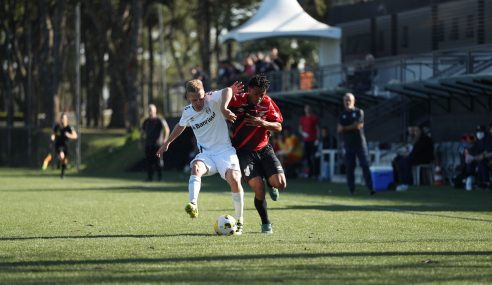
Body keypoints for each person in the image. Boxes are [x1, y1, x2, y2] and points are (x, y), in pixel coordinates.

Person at [156, 79, 245, 234]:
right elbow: (180, 125)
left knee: (235, 179)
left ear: (204, 93)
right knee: (196, 167)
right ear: (188, 98)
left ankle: (239, 221)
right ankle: (193, 205)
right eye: (194, 99)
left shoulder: (211, 98)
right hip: (207, 154)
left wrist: (223, 108)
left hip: (225, 151)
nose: (198, 102)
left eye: (201, 98)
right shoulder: (188, 111)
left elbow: (227, 91)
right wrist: (167, 143)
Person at [228, 74, 287, 234]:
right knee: (258, 189)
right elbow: (218, 101)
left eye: (262, 95)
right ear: (249, 90)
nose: (259, 98)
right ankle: (266, 223)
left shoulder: (267, 103)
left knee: (281, 184)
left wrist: (264, 123)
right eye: (256, 95)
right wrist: (224, 111)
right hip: (244, 152)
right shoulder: (237, 101)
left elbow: (279, 126)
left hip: (264, 149)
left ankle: (272, 184)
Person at [337, 93, 374, 195]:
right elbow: (339, 129)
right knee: (349, 167)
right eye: (345, 100)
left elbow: (358, 125)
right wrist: (349, 127)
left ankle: (370, 188)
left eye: (349, 99)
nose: (347, 102)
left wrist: (345, 128)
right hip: (348, 145)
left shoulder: (359, 112)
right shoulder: (342, 115)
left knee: (365, 165)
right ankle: (351, 189)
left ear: (354, 101)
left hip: (360, 144)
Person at [392, 125, 434, 191]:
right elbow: (414, 150)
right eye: (414, 131)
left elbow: (416, 151)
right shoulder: (417, 138)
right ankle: (397, 179)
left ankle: (407, 181)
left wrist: (407, 155)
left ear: (420, 131)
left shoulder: (424, 139)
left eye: (416, 131)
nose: (415, 132)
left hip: (423, 158)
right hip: (417, 156)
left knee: (404, 161)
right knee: (397, 159)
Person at [141, 104, 170, 181]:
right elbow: (142, 132)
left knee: (158, 162)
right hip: (148, 144)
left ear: (155, 111)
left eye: (151, 110)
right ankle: (149, 178)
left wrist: (165, 139)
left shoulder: (160, 120)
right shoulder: (146, 121)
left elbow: (166, 129)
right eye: (149, 110)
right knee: (149, 162)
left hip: (158, 145)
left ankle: (160, 178)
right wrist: (141, 141)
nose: (150, 112)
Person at [51, 113, 78, 179]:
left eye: (64, 119)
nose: (63, 120)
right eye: (62, 118)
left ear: (67, 119)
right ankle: (58, 161)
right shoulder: (57, 126)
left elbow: (75, 136)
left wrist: (69, 135)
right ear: (60, 119)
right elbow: (53, 134)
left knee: (65, 161)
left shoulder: (69, 127)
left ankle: (62, 174)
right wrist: (52, 138)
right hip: (58, 145)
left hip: (66, 145)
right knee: (61, 155)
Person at [464, 125, 491, 190]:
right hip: (478, 157)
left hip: (487, 158)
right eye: (478, 132)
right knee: (469, 163)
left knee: (481, 163)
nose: (479, 133)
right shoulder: (477, 140)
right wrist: (468, 153)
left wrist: (481, 156)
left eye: (481, 131)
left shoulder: (489, 139)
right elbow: (473, 149)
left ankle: (485, 182)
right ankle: (470, 179)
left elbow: (487, 151)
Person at [298, 104, 320, 178]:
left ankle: (316, 173)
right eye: (306, 108)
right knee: (307, 157)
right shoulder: (302, 118)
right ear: (304, 109)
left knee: (315, 157)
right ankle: (310, 173)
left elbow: (317, 129)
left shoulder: (314, 118)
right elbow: (300, 129)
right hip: (306, 140)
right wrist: (303, 133)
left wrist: (317, 139)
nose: (307, 110)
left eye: (309, 108)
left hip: (313, 140)